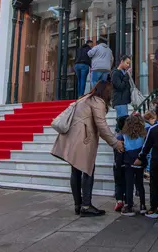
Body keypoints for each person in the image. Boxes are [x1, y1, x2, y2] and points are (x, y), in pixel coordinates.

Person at [51, 80, 125, 217]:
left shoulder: (84, 99)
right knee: (88, 170)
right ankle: (86, 205)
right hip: (83, 139)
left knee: (76, 170)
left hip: (73, 138)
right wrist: (115, 143)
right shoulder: (97, 102)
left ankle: (78, 205)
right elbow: (101, 126)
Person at [120, 114, 147, 216]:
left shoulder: (125, 133)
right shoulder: (143, 133)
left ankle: (129, 206)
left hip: (128, 159)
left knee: (129, 184)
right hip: (139, 158)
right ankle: (143, 205)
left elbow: (125, 145)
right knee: (140, 183)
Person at [112, 55, 133, 130]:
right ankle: (117, 139)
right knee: (122, 123)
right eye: (127, 63)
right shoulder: (116, 73)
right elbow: (120, 86)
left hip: (123, 101)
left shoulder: (123, 72)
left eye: (129, 64)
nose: (128, 65)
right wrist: (127, 75)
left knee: (122, 123)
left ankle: (118, 138)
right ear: (122, 62)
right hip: (119, 101)